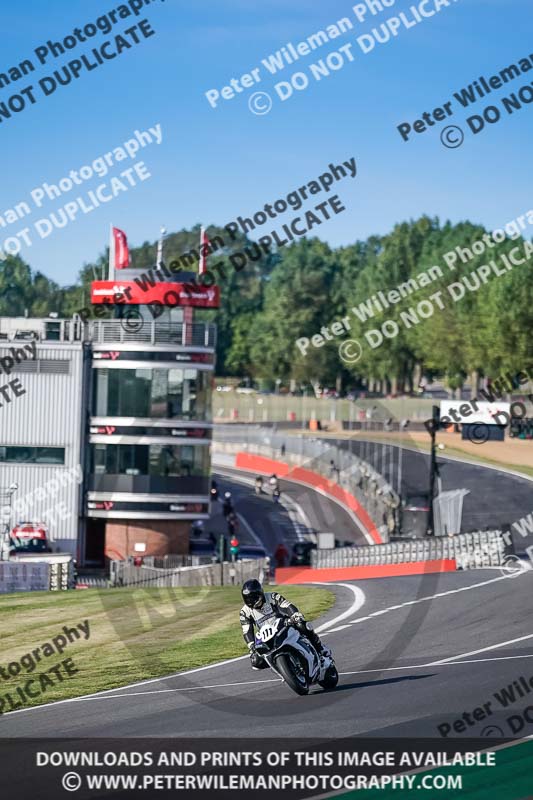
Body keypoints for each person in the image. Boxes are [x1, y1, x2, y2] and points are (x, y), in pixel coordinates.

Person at [239, 579, 330, 670]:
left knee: (302, 625)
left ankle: (320, 649)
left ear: (260, 593)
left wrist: (295, 614)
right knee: (256, 661)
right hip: (267, 636)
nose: (250, 601)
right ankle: (282, 668)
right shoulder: (244, 612)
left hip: (284, 625)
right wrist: (251, 646)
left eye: (252, 598)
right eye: (247, 599)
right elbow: (247, 631)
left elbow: (287, 606)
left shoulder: (272, 597)